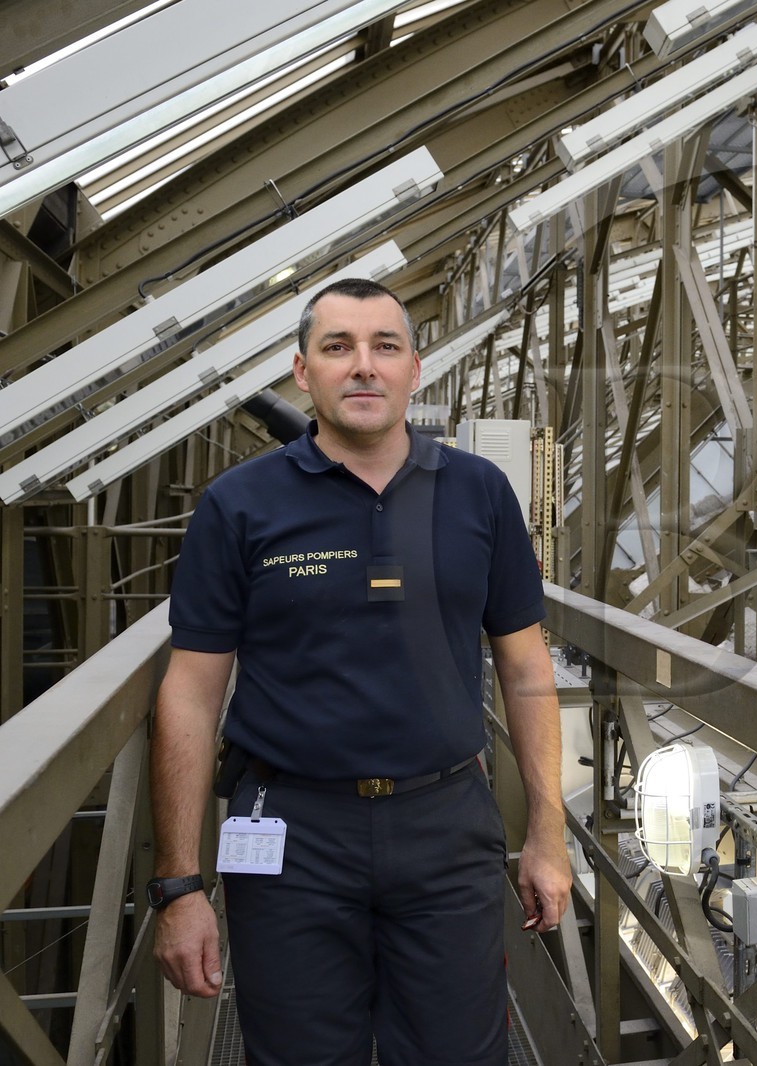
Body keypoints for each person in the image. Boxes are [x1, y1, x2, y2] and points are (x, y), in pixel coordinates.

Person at [149, 277, 570, 1065]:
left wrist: (546, 834)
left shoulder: (479, 493)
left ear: (416, 368)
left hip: (445, 823)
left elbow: (525, 667)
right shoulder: (240, 505)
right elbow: (191, 692)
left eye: (385, 346)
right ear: (303, 373)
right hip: (290, 833)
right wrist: (179, 884)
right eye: (337, 347)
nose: (363, 366)